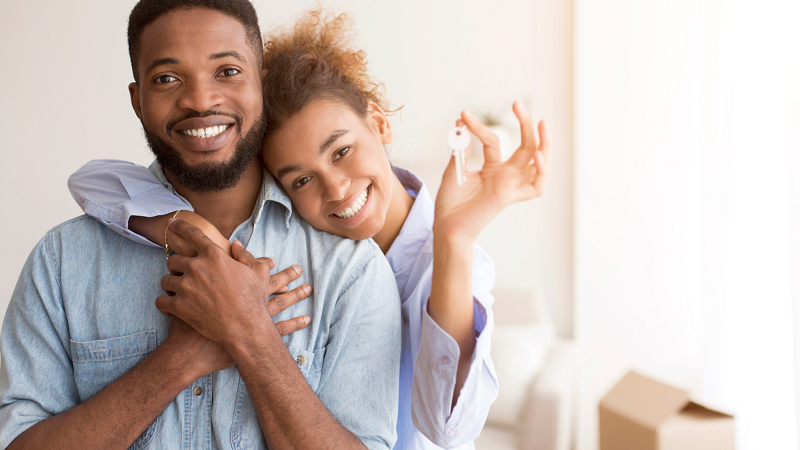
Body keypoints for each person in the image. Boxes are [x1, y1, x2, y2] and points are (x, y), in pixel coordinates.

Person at [68, 10, 552, 450]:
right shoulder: (298, 236)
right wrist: (191, 229)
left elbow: (448, 427)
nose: (338, 189)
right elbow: (92, 181)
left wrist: (454, 239)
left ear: (378, 122)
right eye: (301, 179)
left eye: (341, 151)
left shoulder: (440, 260)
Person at [0, 1, 403, 450]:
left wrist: (250, 332)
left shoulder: (350, 269)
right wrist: (179, 359)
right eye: (167, 79)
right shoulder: (61, 263)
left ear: (260, 82)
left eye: (227, 71)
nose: (200, 100)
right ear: (137, 102)